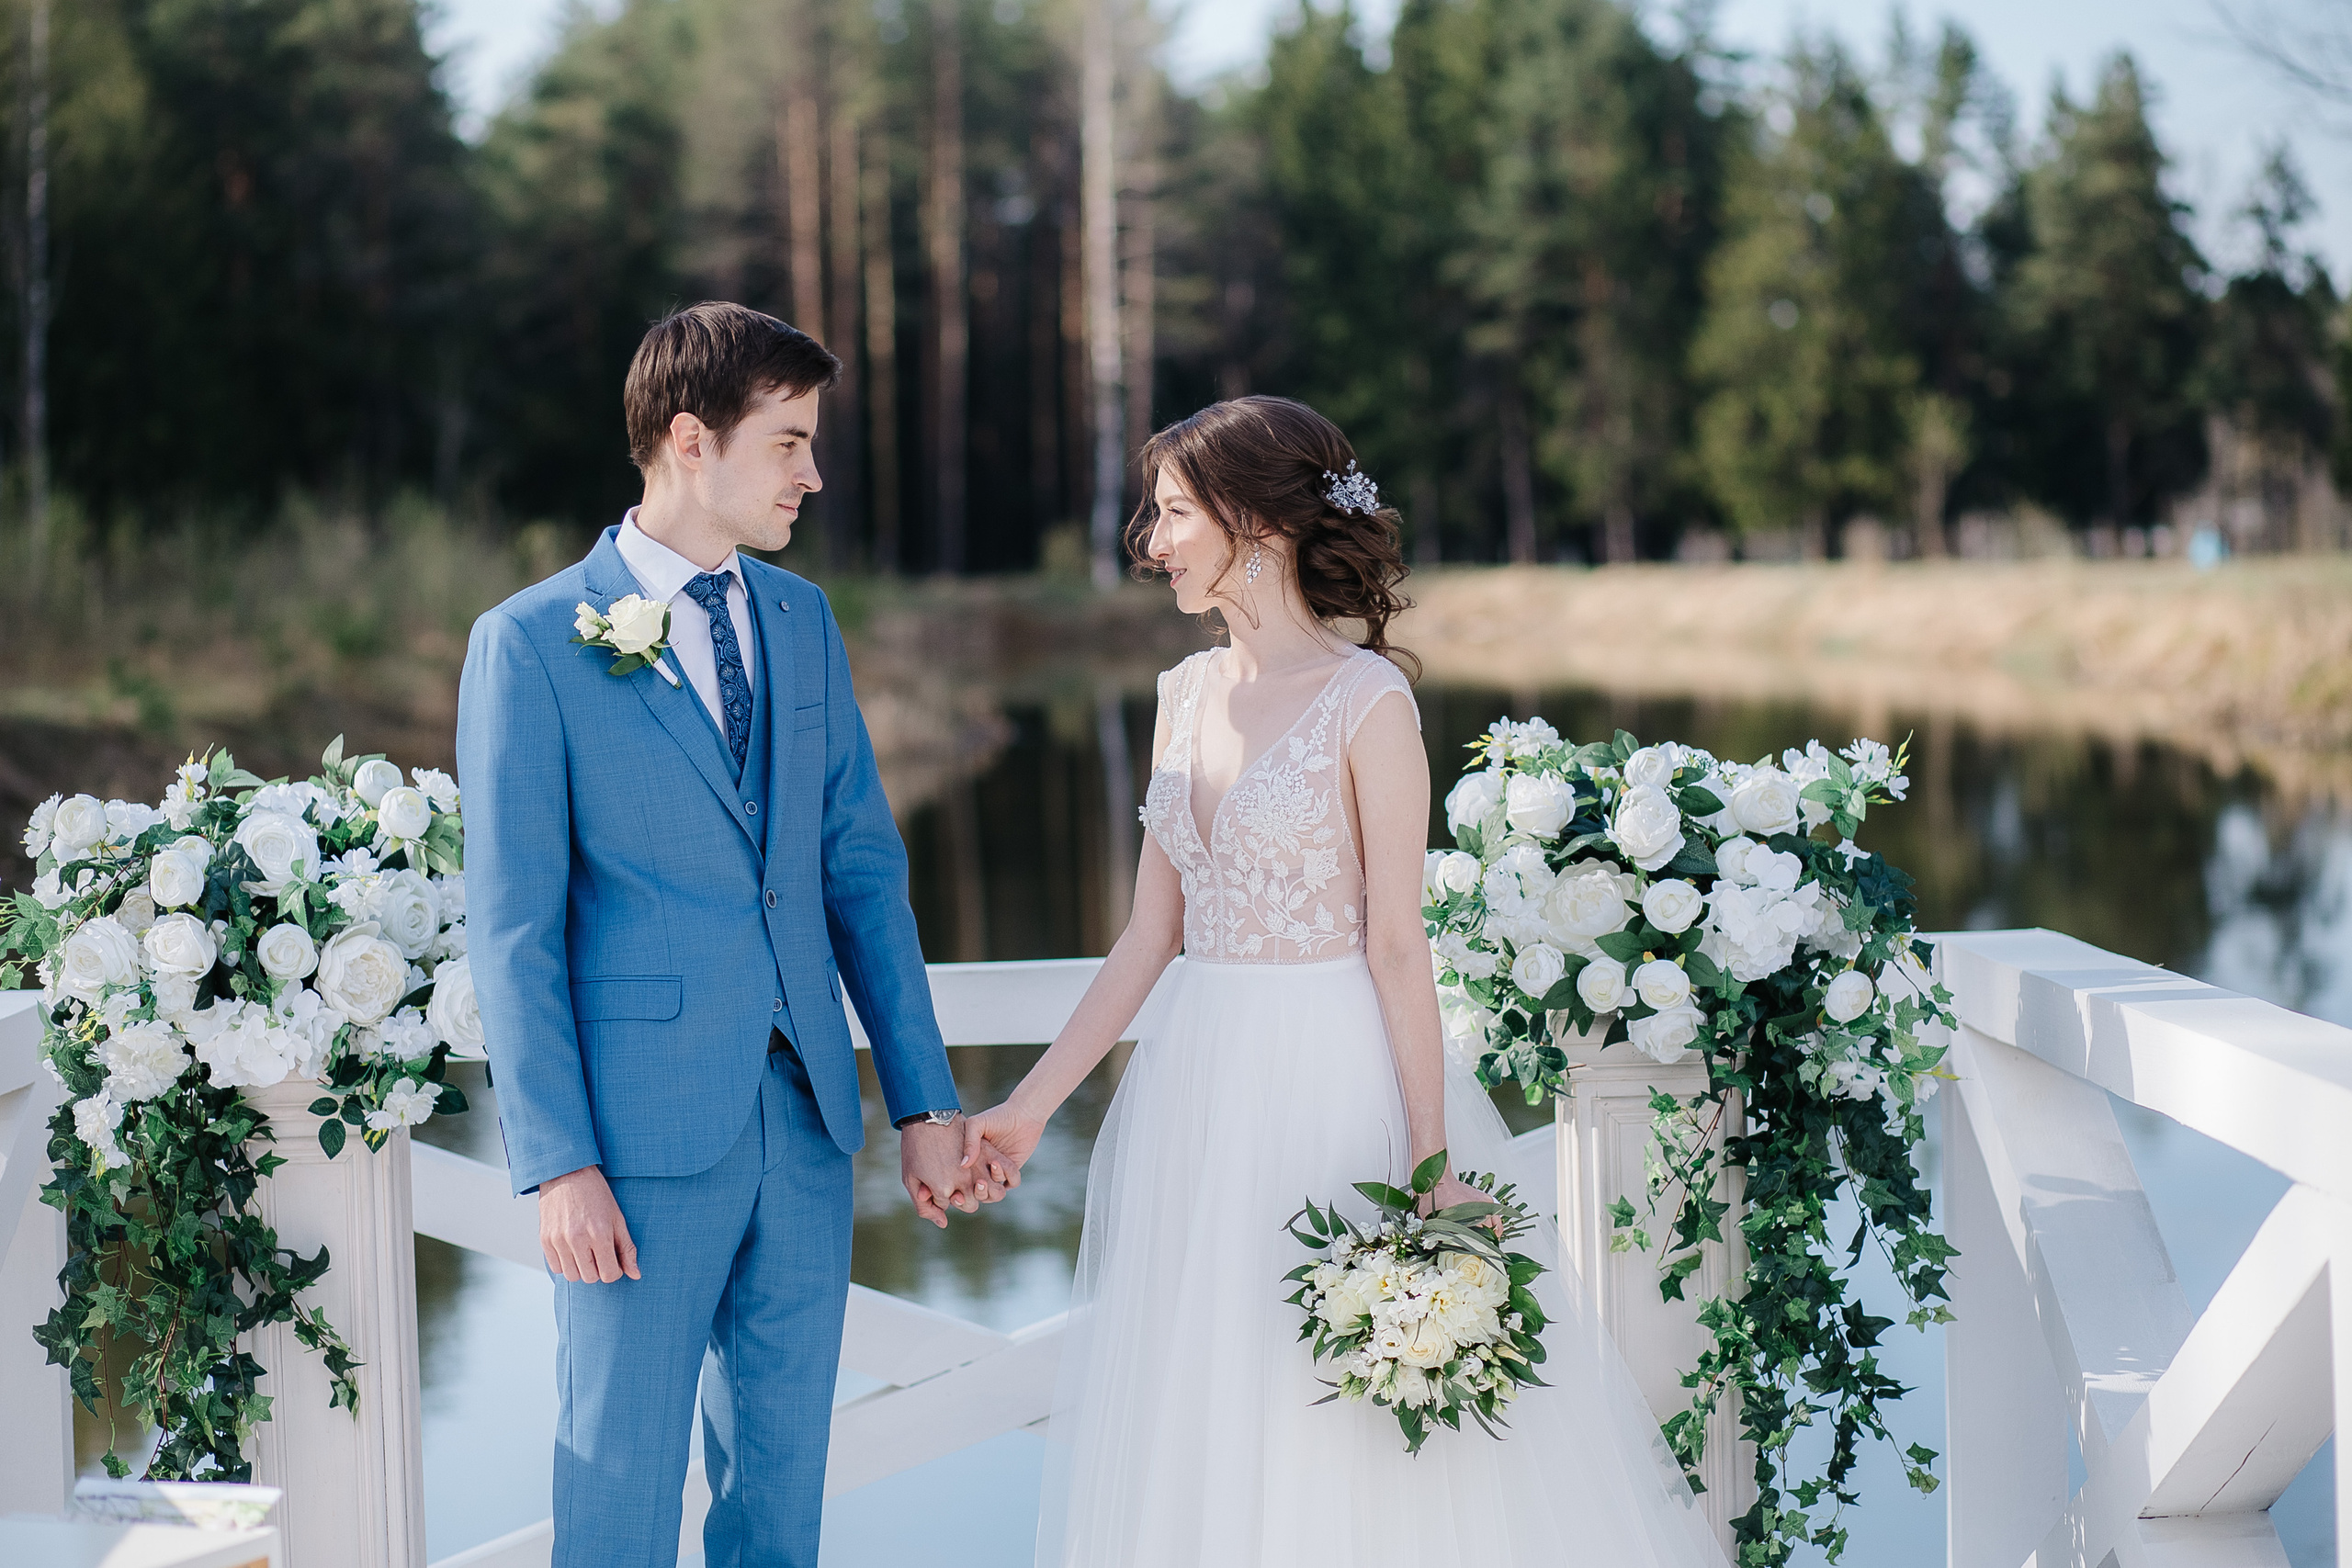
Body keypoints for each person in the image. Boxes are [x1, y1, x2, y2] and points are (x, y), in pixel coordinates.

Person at [961, 396, 1729, 1568]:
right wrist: (1028, 1108)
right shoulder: (1181, 695)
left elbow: (1396, 950)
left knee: (1335, 1397)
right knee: (1210, 1394)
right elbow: (1145, 938)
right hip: (1197, 1094)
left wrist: (1429, 1165)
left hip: (1326, 1082)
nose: (1150, 542)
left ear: (1253, 523)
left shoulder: (1368, 704)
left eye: (1171, 515)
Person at [455, 302, 1004, 1568]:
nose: (813, 473)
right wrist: (556, 1160)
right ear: (692, 441)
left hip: (805, 1124)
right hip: (633, 1143)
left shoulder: (802, 620)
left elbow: (862, 873)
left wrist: (921, 1096)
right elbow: (514, 927)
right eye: (791, 443)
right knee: (619, 1493)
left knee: (779, 1495)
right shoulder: (531, 642)